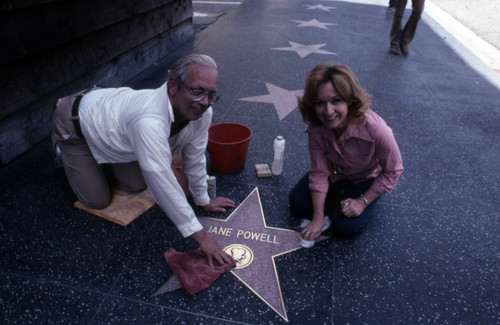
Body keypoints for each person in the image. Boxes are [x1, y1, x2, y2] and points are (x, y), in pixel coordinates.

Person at [52, 54, 235, 267]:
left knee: (136, 185)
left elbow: (194, 156)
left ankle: (106, 152)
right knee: (97, 199)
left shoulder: (203, 111)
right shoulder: (148, 121)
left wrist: (203, 198)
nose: (203, 102)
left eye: (211, 95)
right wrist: (203, 238)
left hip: (114, 119)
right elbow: (162, 182)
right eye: (196, 91)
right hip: (75, 122)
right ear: (173, 85)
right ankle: (63, 147)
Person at [289, 63, 403, 240]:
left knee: (346, 228)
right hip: (333, 172)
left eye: (336, 101)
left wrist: (363, 202)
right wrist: (318, 219)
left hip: (365, 178)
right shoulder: (316, 126)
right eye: (320, 103)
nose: (328, 112)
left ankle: (364, 198)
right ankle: (336, 201)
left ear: (349, 100)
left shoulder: (378, 130)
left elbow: (393, 171)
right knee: (298, 204)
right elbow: (319, 171)